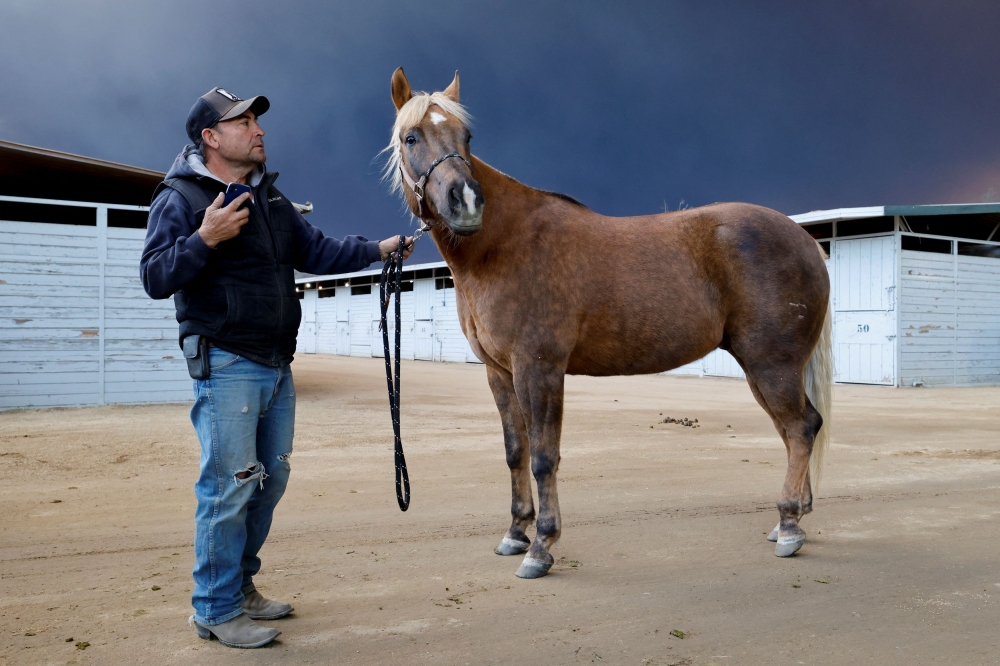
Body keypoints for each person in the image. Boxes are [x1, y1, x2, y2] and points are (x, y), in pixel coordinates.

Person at [141, 87, 412, 649]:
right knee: (229, 486)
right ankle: (213, 610)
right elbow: (155, 276)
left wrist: (380, 248)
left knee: (270, 479)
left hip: (275, 363)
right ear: (210, 138)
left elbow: (317, 251)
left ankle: (238, 588)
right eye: (243, 123)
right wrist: (204, 239)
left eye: (257, 122)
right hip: (227, 360)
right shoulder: (182, 196)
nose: (259, 130)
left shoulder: (270, 198)